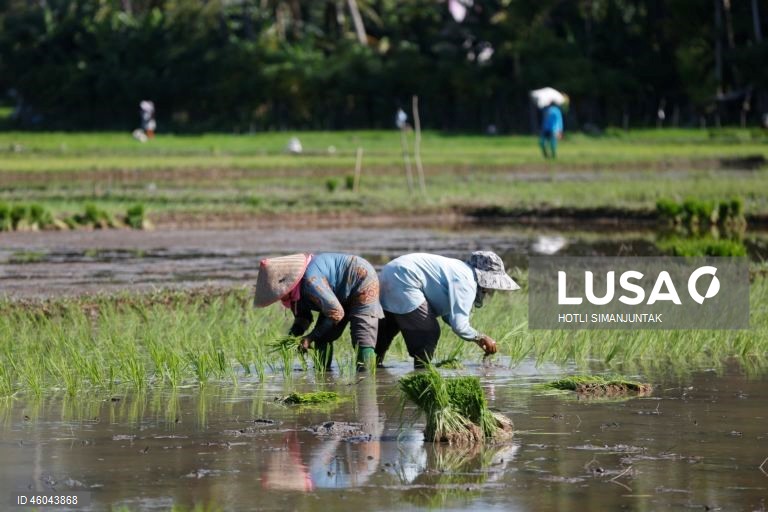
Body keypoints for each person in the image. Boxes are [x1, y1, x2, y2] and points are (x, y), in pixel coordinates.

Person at [375, 251, 519, 368]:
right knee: (428, 332)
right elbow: (459, 326)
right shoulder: (467, 281)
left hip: (389, 272)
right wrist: (481, 338)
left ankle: (370, 368)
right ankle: (421, 374)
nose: (489, 289)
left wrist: (477, 338)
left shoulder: (460, 270)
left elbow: (448, 316)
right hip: (405, 278)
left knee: (387, 328)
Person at [254, 253, 383, 370]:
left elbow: (336, 313)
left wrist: (309, 338)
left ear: (287, 284)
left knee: (362, 337)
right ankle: (323, 373)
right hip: (336, 295)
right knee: (322, 338)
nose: (279, 297)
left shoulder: (310, 282)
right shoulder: (295, 293)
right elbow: (303, 317)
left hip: (361, 279)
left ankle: (366, 377)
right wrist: (291, 338)